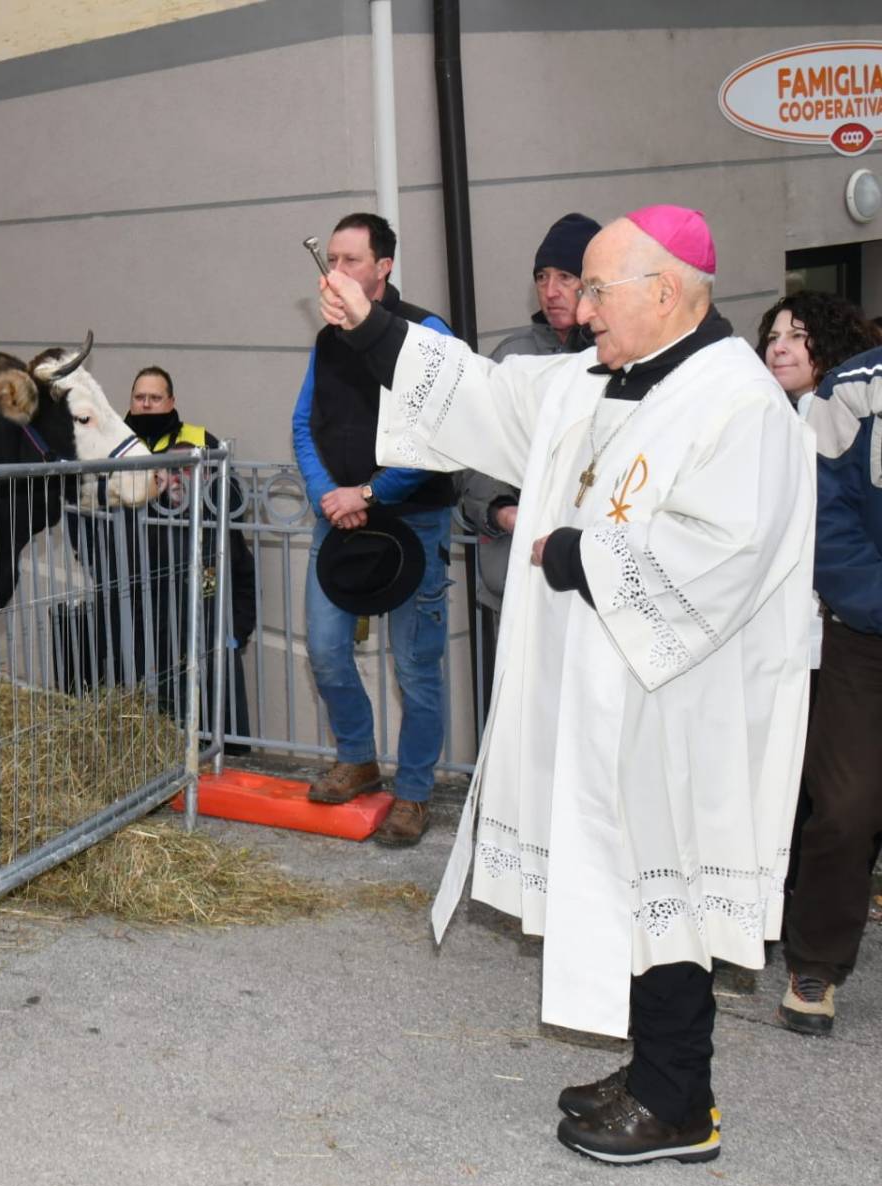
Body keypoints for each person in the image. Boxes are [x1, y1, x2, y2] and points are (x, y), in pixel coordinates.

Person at [317, 206, 815, 1165]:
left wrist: (581, 553)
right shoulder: (595, 378)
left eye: (596, 290)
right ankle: (656, 1074)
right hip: (604, 691)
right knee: (626, 882)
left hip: (681, 704)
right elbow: (487, 394)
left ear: (663, 290)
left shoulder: (739, 401)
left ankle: (680, 1104)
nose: (579, 311)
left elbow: (727, 551)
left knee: (668, 887)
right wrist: (373, 327)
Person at [292, 212, 456, 848]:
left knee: (415, 668)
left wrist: (367, 493)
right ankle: (358, 758)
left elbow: (437, 435)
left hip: (413, 523)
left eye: (350, 260)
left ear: (383, 267)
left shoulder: (428, 332)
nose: (335, 271)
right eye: (331, 259)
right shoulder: (327, 339)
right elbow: (304, 425)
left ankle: (413, 792)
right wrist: (327, 497)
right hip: (340, 521)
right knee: (326, 649)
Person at [62, 368, 256, 743]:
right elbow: (80, 502)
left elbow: (232, 502)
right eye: (140, 397)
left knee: (200, 681)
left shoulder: (199, 438)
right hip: (130, 584)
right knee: (136, 681)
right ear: (130, 401)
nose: (147, 404)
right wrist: (98, 563)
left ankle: (210, 748)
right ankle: (147, 751)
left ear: (171, 401)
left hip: (192, 582)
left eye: (155, 397)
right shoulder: (112, 441)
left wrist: (189, 483)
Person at [781, 340, 882, 1035]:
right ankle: (815, 961)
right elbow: (822, 510)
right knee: (844, 806)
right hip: (864, 634)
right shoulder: (853, 390)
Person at [462, 213, 601, 693]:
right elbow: (477, 454)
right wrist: (499, 511)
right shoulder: (512, 355)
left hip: (592, 577)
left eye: (566, 276)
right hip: (518, 573)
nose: (551, 291)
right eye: (542, 277)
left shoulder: (618, 354)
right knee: (518, 705)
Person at [755, 292, 878, 405]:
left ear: (833, 343)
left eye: (797, 336)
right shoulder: (763, 411)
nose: (777, 348)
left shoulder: (866, 412)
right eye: (773, 338)